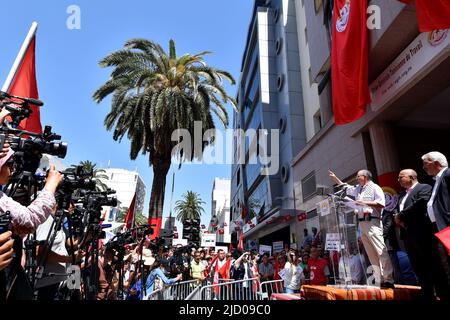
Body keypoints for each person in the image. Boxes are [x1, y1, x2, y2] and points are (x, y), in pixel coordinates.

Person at [328, 169, 395, 288]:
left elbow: (381, 204)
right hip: (361, 224)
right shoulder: (358, 188)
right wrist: (335, 178)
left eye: (359, 176)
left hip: (372, 221)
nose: (357, 178)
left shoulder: (375, 187)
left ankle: (388, 278)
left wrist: (363, 202)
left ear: (366, 177)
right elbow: (346, 188)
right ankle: (379, 278)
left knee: (380, 251)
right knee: (371, 254)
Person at [395, 169, 450, 300]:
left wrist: (401, 216)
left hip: (423, 235)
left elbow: (420, 204)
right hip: (408, 236)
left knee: (432, 266)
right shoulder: (402, 195)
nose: (398, 179)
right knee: (418, 268)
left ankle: (442, 294)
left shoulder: (424, 188)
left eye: (401, 177)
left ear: (412, 177)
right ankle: (427, 295)